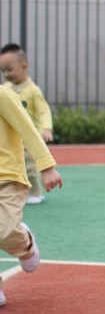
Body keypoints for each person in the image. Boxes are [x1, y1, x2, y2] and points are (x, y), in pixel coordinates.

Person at [0, 85, 62, 306]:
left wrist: (46, 166)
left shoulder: (2, 94)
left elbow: (28, 129)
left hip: (8, 178)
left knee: (5, 232)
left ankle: (24, 241)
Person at [0, 43, 54, 205]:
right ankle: (18, 193)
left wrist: (46, 127)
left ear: (24, 66)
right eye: (3, 71)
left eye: (10, 69)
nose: (6, 74)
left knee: (30, 166)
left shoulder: (32, 90)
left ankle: (35, 192)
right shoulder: (6, 89)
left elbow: (43, 110)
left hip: (31, 135)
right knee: (16, 167)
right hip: (13, 139)